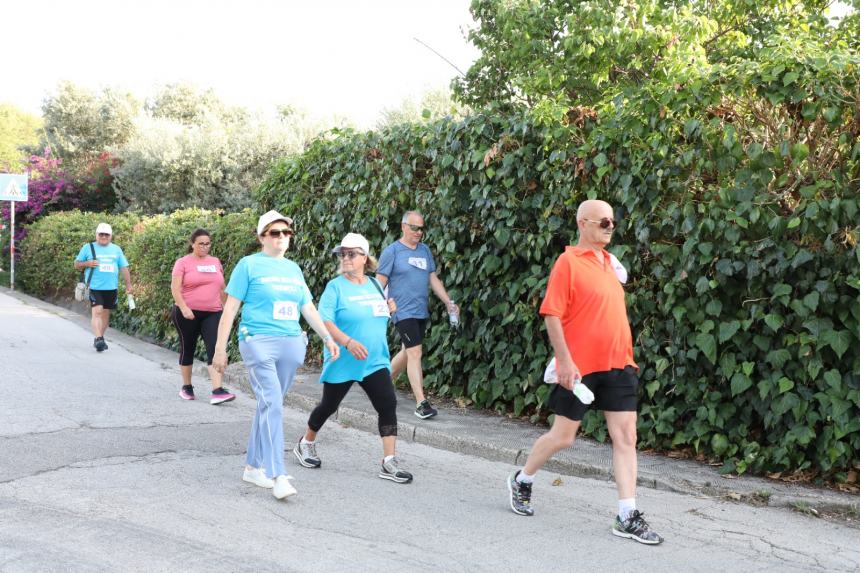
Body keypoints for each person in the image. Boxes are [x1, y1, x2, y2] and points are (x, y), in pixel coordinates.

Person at [506, 199, 664, 545]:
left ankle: (626, 515)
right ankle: (523, 478)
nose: (610, 226)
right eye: (603, 221)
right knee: (563, 437)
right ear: (582, 224)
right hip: (580, 367)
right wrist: (564, 361)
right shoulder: (568, 262)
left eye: (613, 222)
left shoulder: (610, 263)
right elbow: (551, 314)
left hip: (620, 363)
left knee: (626, 438)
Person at [212, 210, 339, 501]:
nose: (282, 238)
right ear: (261, 237)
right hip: (258, 341)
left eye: (286, 233)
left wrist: (327, 338)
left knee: (270, 405)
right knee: (272, 403)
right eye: (275, 233)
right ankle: (276, 473)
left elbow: (307, 308)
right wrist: (220, 349)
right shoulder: (248, 265)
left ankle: (252, 467)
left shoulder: (294, 269)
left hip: (291, 342)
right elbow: (230, 309)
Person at [293, 233, 413, 484]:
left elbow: (377, 315)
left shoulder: (375, 285)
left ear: (365, 258)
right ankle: (306, 442)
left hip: (374, 359)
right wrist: (347, 342)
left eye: (351, 254)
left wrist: (389, 310)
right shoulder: (334, 287)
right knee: (329, 406)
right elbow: (326, 321)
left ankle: (389, 462)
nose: (345, 258)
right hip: (343, 358)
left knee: (387, 403)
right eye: (342, 254)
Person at [376, 210, 458, 420]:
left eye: (421, 228)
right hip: (402, 311)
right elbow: (379, 283)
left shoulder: (424, 251)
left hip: (420, 310)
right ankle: (421, 403)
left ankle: (380, 385)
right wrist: (376, 307)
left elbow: (433, 279)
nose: (418, 232)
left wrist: (448, 302)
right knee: (415, 353)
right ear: (403, 226)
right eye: (414, 228)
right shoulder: (392, 251)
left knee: (407, 352)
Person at [170, 228, 235, 405]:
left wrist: (227, 310)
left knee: (215, 349)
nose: (205, 247)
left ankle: (217, 390)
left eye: (207, 243)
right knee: (188, 348)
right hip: (187, 313)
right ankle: (187, 387)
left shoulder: (215, 262)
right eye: (201, 244)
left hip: (213, 312)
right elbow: (175, 289)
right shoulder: (183, 262)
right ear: (192, 244)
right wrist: (184, 308)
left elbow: (221, 288)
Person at [73, 223, 133, 352]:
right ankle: (99, 338)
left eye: (106, 234)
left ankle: (99, 338)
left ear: (111, 236)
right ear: (96, 235)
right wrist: (87, 263)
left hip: (111, 288)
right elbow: (76, 264)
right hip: (94, 287)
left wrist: (128, 284)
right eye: (101, 234)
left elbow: (123, 267)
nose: (104, 237)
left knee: (105, 314)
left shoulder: (116, 249)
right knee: (98, 311)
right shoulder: (88, 248)